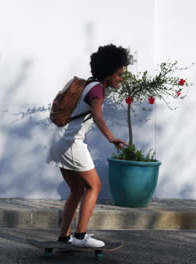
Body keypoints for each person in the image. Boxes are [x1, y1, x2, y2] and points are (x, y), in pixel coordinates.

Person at [47, 44, 130, 247]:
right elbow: (98, 115)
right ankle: (81, 236)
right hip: (70, 142)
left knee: (77, 190)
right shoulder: (97, 89)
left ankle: (64, 236)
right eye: (119, 74)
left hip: (58, 139)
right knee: (94, 186)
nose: (121, 78)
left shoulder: (88, 85)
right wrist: (110, 137)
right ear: (108, 73)